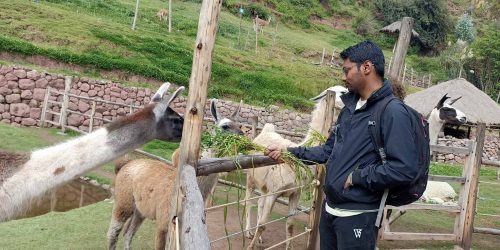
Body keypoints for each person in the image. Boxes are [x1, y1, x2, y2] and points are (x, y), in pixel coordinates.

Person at [266, 41, 419, 250]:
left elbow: (404, 169)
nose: (343, 76)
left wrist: (357, 177)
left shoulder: (392, 112)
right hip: (331, 210)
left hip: (359, 215)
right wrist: (290, 152)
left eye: (347, 70)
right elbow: (328, 151)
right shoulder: (349, 109)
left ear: (366, 68)